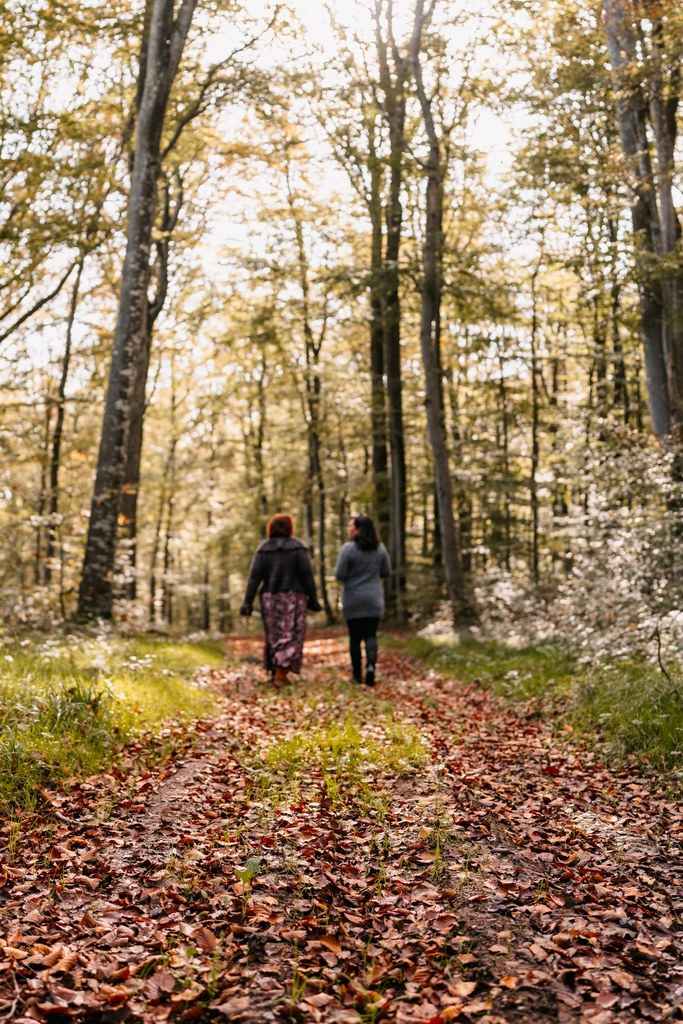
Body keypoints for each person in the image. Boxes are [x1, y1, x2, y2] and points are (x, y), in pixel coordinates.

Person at [240, 514, 321, 684]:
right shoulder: (298, 548)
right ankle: (280, 673)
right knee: (292, 634)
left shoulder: (264, 549)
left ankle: (276, 669)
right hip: (294, 599)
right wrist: (313, 599)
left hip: (269, 598)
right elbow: (307, 576)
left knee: (274, 635)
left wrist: (247, 601)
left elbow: (255, 578)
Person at [334, 513, 391, 686]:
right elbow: (386, 572)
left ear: (358, 529)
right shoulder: (380, 548)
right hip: (373, 599)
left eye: (351, 526)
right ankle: (371, 667)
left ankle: (357, 675)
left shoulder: (348, 549)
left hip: (353, 599)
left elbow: (340, 574)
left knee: (355, 638)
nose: (348, 529)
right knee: (371, 635)